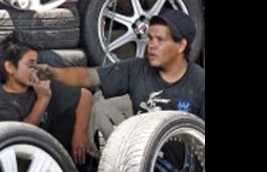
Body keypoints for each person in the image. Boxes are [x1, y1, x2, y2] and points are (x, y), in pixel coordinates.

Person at [31, 9, 205, 120]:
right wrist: (53, 73)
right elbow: (89, 77)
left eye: (160, 40)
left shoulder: (200, 83)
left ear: (181, 45)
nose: (151, 45)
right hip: (141, 166)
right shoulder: (135, 69)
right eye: (150, 38)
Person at [0, 34, 93, 164]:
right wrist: (43, 99)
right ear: (10, 67)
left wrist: (80, 133)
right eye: (30, 65)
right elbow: (21, 137)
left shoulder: (39, 83)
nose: (36, 70)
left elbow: (84, 96)